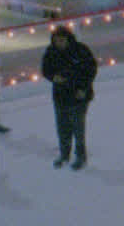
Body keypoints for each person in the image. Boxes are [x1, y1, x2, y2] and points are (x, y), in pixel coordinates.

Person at [40, 26, 97, 170]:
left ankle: (80, 156)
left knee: (78, 127)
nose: (59, 43)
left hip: (79, 96)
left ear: (68, 39)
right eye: (56, 41)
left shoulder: (80, 50)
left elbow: (91, 70)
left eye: (62, 40)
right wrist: (53, 77)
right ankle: (64, 154)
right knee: (62, 127)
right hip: (60, 96)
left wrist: (83, 89)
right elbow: (45, 70)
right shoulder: (51, 52)